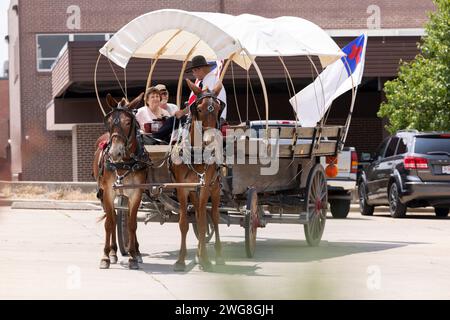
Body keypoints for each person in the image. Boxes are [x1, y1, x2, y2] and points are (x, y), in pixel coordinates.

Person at [152, 55, 227, 143]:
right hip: (206, 116)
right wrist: (183, 112)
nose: (193, 74)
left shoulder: (211, 82)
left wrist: (183, 112)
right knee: (174, 121)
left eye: (194, 71)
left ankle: (153, 139)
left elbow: (203, 105)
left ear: (199, 69)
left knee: (173, 120)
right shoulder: (207, 81)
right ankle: (164, 140)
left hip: (209, 118)